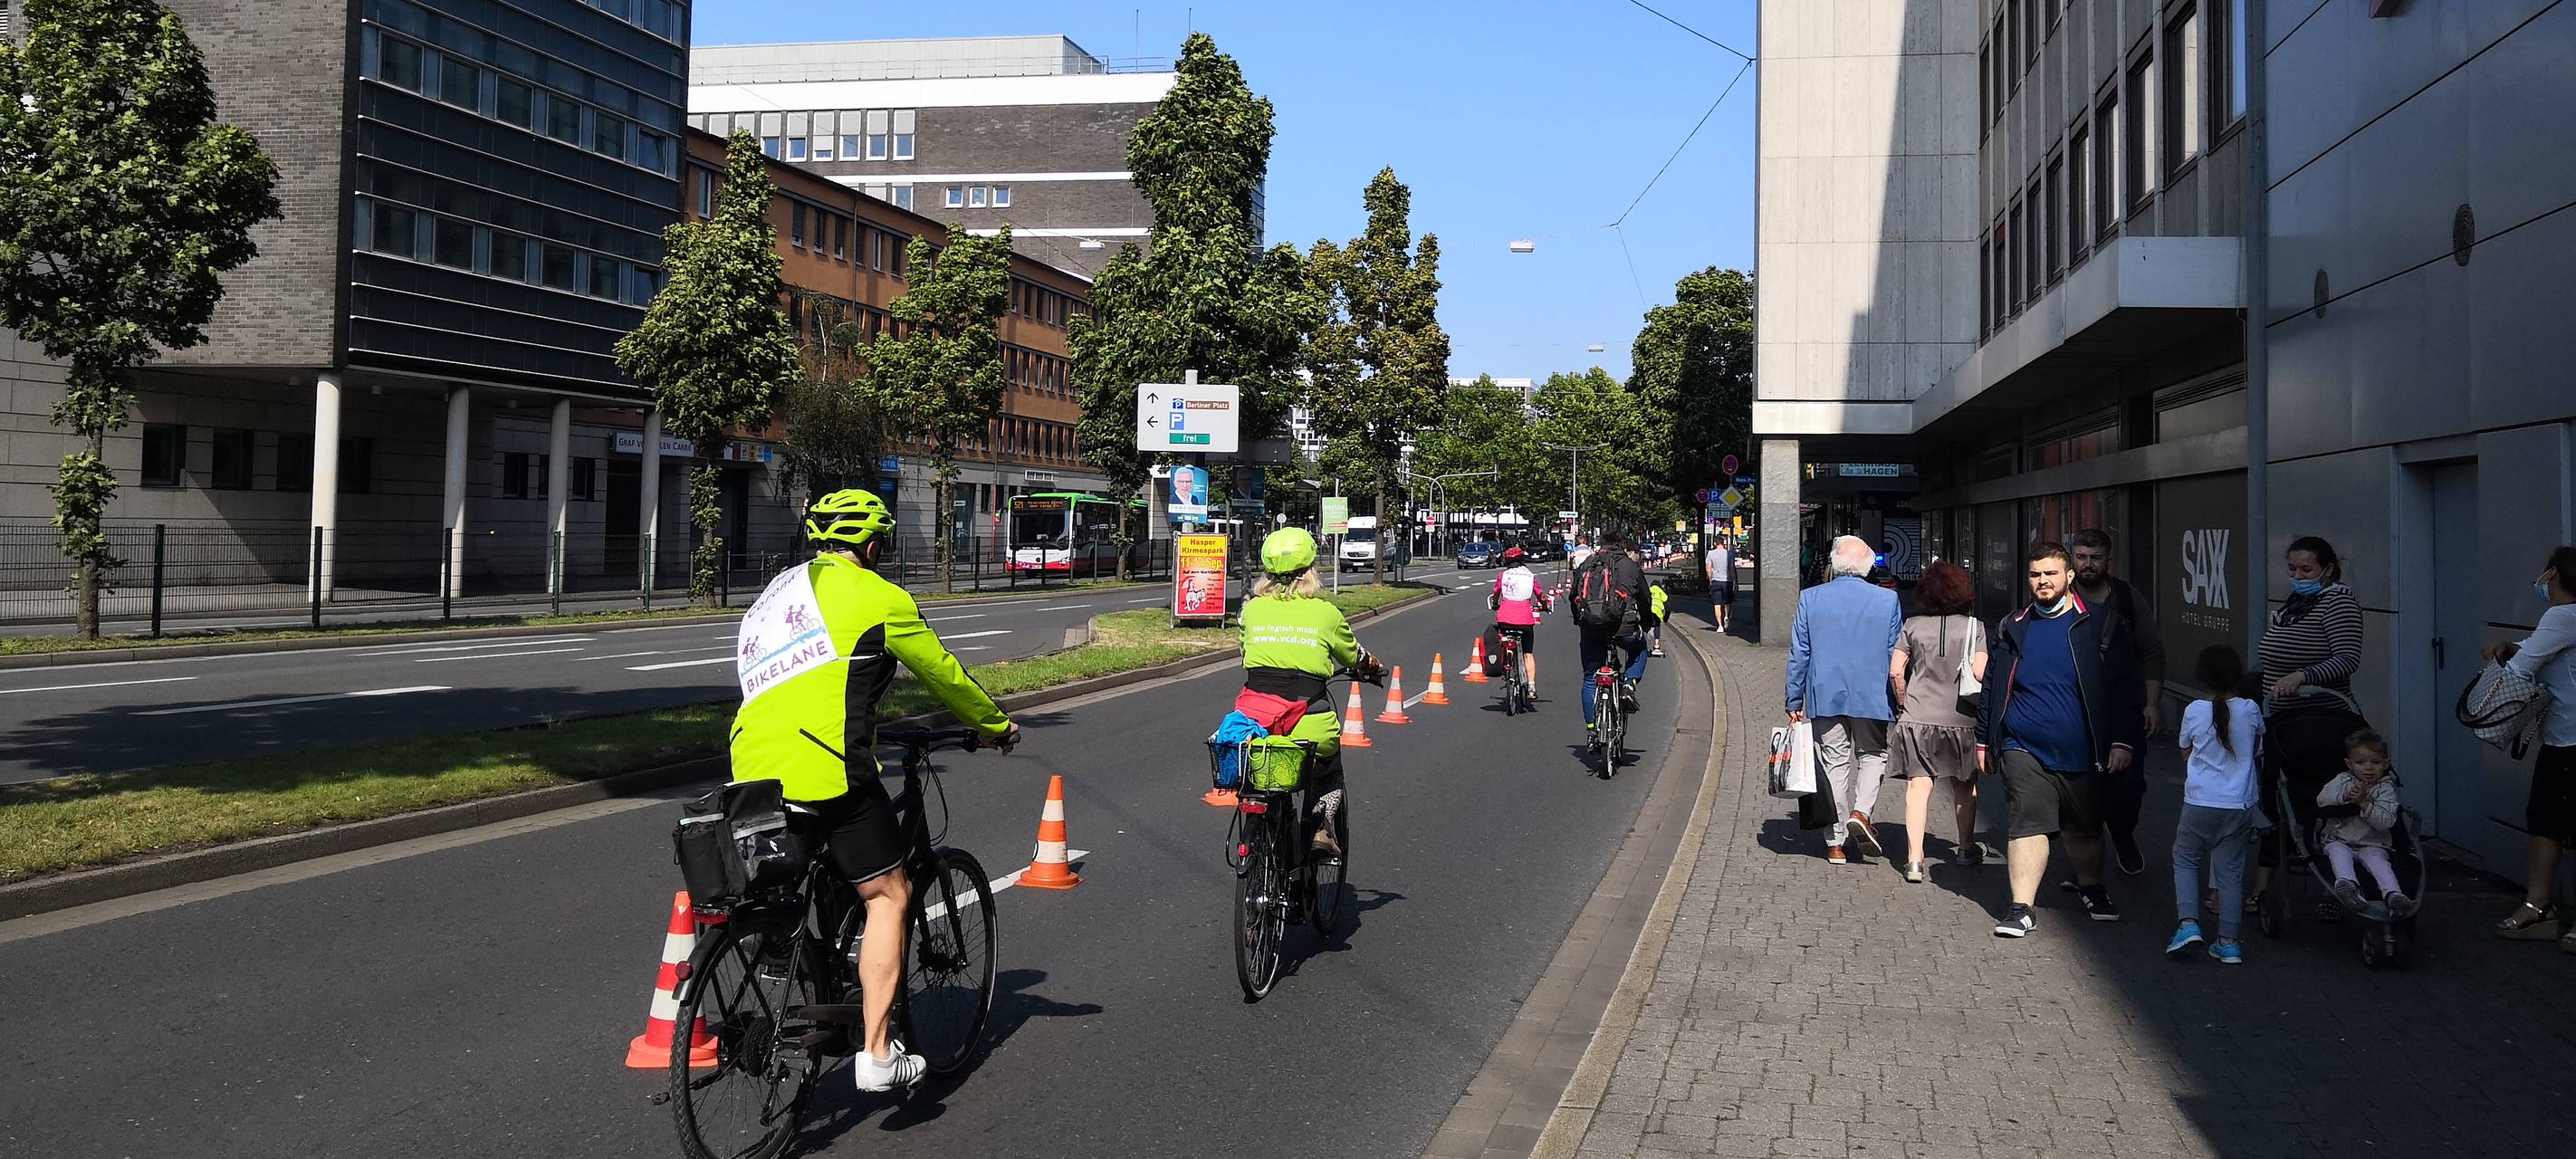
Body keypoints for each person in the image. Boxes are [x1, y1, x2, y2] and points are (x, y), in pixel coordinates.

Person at [728, 489, 1020, 1092]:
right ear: (871, 542)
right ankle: (879, 1056)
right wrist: (994, 726)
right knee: (889, 893)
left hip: (751, 766)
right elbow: (941, 672)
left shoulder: (776, 592)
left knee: (794, 884)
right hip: (825, 767)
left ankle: (799, 976)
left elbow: (812, 681)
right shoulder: (879, 596)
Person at [1979, 541, 2144, 937]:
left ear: (2069, 577)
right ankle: (2021, 908)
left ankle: (2091, 887)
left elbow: (2127, 688)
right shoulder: (2013, 626)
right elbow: (1992, 685)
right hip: (2024, 745)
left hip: (2086, 750)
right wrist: (1985, 740)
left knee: (2084, 829)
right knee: (2027, 822)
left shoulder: (2101, 624)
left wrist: (2122, 740)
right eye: (2036, 574)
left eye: (2051, 574)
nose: (2042, 581)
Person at [1234, 528, 1382, 862]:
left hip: (1254, 721)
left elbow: (1246, 654)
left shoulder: (1252, 611)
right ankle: (1321, 828)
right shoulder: (1324, 614)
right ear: (1310, 571)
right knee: (1329, 765)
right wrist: (1371, 666)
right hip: (1308, 720)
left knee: (1259, 773)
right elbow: (1353, 655)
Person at [2249, 534, 2365, 910]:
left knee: (2326, 805)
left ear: (2327, 570)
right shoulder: (2296, 603)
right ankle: (2264, 886)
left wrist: (2302, 676)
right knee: (2274, 799)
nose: (2298, 575)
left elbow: (2347, 659)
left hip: (2321, 719)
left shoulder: (2338, 602)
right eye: (2293, 568)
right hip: (2279, 719)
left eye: (2307, 569)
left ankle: (2337, 887)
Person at [1786, 535, 1903, 864]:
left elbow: (1800, 653)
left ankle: (1835, 842)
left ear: (1834, 563)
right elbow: (1895, 653)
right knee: (1873, 754)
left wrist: (1793, 699)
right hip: (1873, 694)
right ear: (1867, 566)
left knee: (1834, 762)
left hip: (1825, 692)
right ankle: (1861, 814)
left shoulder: (1810, 598)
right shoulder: (1887, 601)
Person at [2485, 544, 2576, 947]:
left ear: (2552, 574)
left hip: (2569, 740)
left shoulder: (2562, 613)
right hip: (2563, 737)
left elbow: (2522, 668)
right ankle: (2541, 910)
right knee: (2546, 819)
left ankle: (2538, 908)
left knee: (2546, 823)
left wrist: (2502, 660)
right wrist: (2516, 645)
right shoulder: (2565, 620)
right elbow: (2543, 647)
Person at [2068, 530, 2166, 876]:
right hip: (2076, 712)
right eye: (2081, 557)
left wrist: (2151, 704)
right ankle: (2084, 860)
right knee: (2080, 789)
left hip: (2124, 710)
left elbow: (2152, 653)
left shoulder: (2126, 598)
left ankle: (2123, 832)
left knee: (2128, 787)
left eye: (2095, 557)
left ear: (2109, 558)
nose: (2088, 564)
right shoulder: (2060, 597)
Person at [1887, 560, 1987, 882]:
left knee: (1919, 787)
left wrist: (1903, 703)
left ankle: (1914, 860)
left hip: (1918, 717)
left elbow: (1895, 670)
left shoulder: (1912, 625)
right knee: (1964, 785)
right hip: (1961, 719)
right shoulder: (1975, 627)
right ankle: (1966, 848)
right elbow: (1980, 673)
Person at [2168, 646, 2265, 964]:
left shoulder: (2194, 710)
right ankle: (2229, 942)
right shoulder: (2250, 709)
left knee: (2185, 859)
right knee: (2230, 874)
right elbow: (2257, 745)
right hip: (2238, 806)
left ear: (2202, 677)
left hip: (2199, 801)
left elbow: (2185, 751)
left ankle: (2188, 924)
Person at [2315, 730, 2412, 918]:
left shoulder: (2385, 789)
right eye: (2360, 763)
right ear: (2349, 764)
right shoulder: (2342, 780)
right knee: (2338, 853)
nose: (2368, 768)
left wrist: (2364, 804)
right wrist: (2345, 797)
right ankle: (2349, 887)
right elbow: (2322, 800)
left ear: (2386, 763)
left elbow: (2385, 822)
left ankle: (2393, 895)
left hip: (2373, 842)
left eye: (2375, 762)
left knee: (2379, 863)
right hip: (2339, 838)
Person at [1575, 532, 1652, 756]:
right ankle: (1628, 685)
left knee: (1590, 677)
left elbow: (1575, 597)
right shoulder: (1630, 567)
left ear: (1600, 544)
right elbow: (1645, 599)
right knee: (1639, 651)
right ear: (1622, 545)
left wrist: (1579, 622)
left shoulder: (1587, 564)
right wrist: (1646, 623)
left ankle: (1591, 730)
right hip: (1624, 628)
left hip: (1592, 628)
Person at [1489, 546, 1550, 700]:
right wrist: (1544, 607)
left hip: (1504, 619)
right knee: (1528, 653)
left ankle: (1507, 663)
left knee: (1505, 642)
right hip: (1524, 620)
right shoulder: (1530, 576)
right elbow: (1540, 595)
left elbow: (1496, 592)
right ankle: (1531, 687)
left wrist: (1495, 603)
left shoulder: (1503, 575)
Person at [1708, 537, 1736, 633]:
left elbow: (1708, 568)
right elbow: (1732, 568)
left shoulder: (1711, 554)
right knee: (1728, 602)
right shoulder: (1729, 553)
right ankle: (1727, 616)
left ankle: (1720, 626)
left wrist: (1710, 579)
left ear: (1715, 543)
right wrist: (1735, 581)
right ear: (1723, 543)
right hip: (1727, 581)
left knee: (1717, 604)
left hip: (1716, 581)